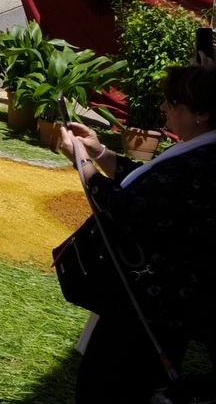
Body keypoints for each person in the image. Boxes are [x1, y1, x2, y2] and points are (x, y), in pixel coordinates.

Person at [60, 66, 216, 404]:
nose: (163, 108)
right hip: (153, 301)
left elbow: (128, 208)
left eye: (172, 102)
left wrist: (81, 161)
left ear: (202, 113)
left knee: (106, 387)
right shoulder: (198, 152)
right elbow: (150, 184)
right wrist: (99, 153)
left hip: (151, 307)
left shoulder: (202, 163)